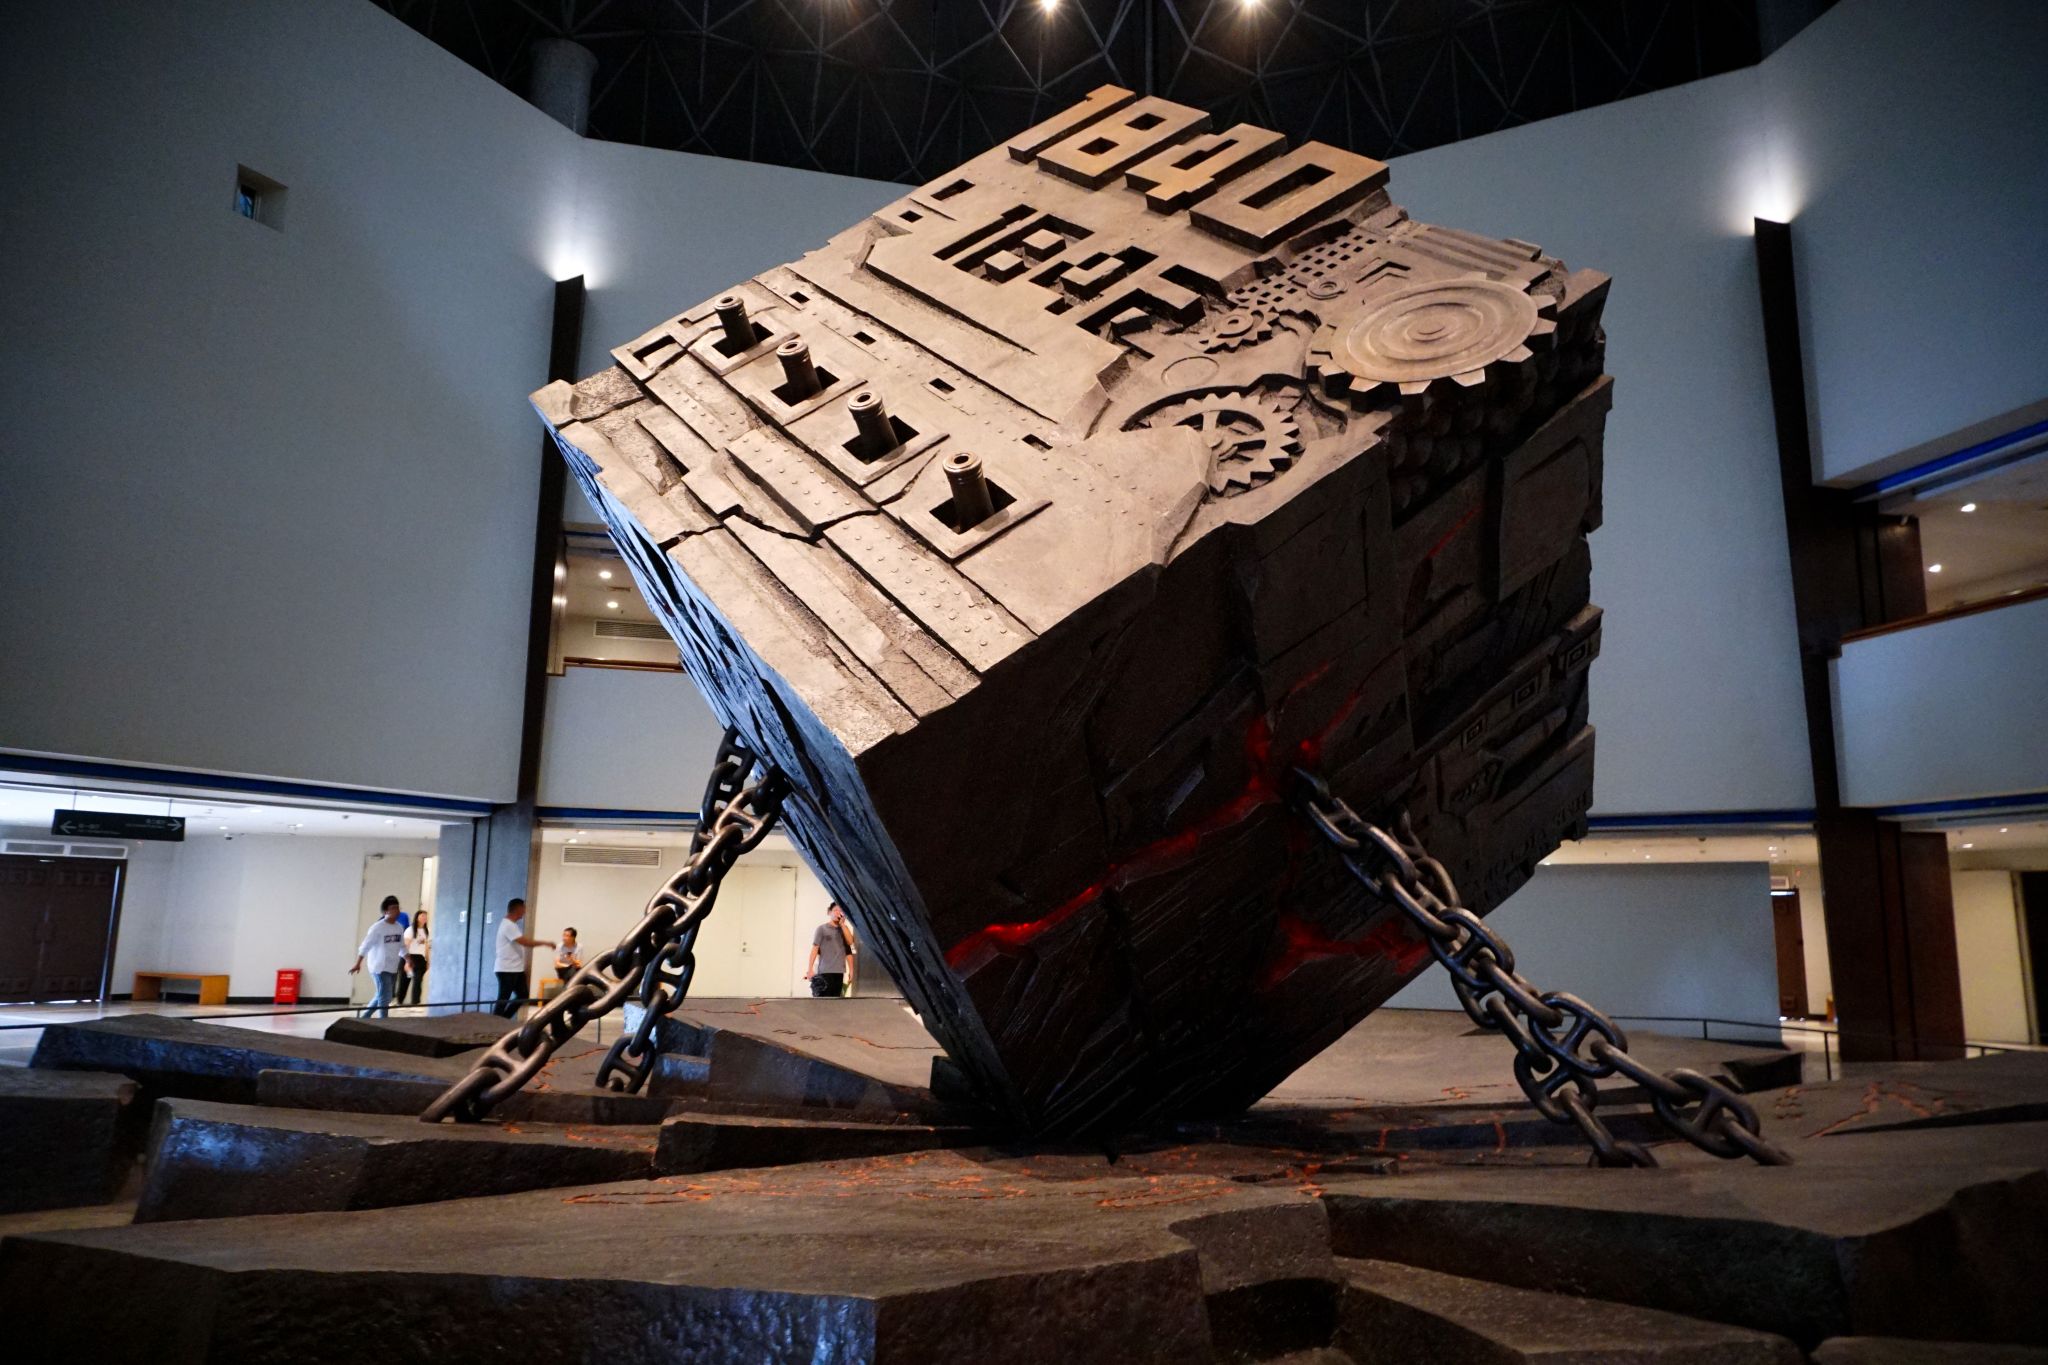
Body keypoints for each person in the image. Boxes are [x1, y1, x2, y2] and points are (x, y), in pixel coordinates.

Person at [493, 897, 555, 1018]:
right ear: (519, 908)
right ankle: (495, 1023)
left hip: (515, 969)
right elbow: (525, 942)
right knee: (503, 999)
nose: (525, 911)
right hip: (507, 969)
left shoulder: (511, 925)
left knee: (522, 995)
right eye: (524, 908)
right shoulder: (508, 925)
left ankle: (504, 1019)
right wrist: (545, 943)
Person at [350, 896, 407, 1018]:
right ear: (386, 911)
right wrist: (358, 963)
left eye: (397, 908)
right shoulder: (377, 927)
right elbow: (365, 945)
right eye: (393, 908)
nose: (396, 911)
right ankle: (383, 1021)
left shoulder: (399, 927)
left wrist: (409, 960)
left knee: (383, 995)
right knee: (384, 996)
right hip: (379, 967)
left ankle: (364, 1017)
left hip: (392, 966)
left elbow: (402, 946)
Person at [804, 902, 856, 998]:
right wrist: (810, 969)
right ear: (829, 912)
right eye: (835, 910)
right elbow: (814, 949)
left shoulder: (844, 930)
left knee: (835, 1002)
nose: (838, 913)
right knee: (823, 1001)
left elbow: (849, 946)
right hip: (825, 972)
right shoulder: (822, 929)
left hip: (839, 972)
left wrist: (851, 971)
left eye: (840, 911)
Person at [396, 910, 430, 1006]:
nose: (424, 918)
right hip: (409, 957)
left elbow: (426, 947)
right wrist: (407, 962)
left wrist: (428, 960)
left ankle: (415, 1003)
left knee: (418, 981)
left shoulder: (426, 931)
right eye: (422, 916)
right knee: (404, 981)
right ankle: (399, 1002)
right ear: (417, 917)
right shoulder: (410, 930)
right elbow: (406, 946)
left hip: (420, 959)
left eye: (425, 916)